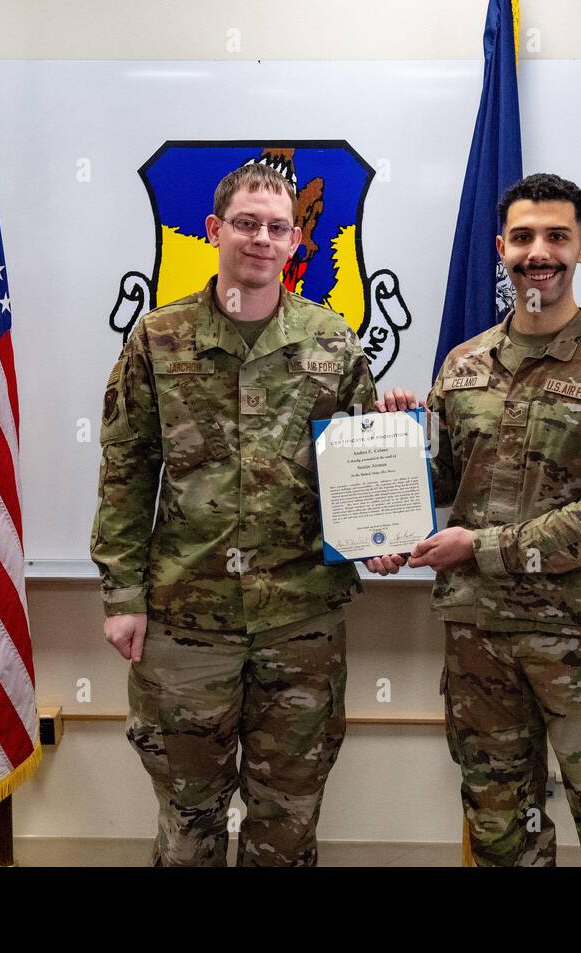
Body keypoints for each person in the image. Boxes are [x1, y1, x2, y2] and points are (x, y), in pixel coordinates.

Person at [368, 172, 581, 866]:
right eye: (525, 236)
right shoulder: (464, 363)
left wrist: (480, 547)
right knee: (501, 827)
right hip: (480, 640)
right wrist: (392, 462)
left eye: (557, 237)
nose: (540, 252)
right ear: (501, 247)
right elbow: (446, 483)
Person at [91, 160, 377, 866]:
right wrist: (122, 595)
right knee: (189, 822)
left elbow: (364, 472)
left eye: (278, 227)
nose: (262, 238)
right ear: (215, 230)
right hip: (188, 619)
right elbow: (126, 472)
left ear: (295, 242)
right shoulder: (158, 340)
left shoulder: (333, 342)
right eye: (247, 223)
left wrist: (387, 530)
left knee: (288, 821)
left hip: (301, 618)